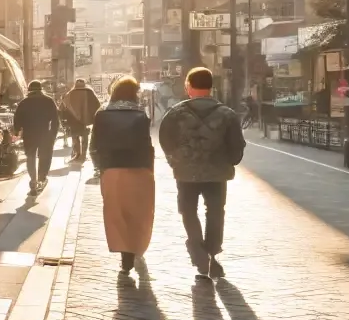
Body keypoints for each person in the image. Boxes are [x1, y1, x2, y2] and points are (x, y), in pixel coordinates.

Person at [157, 66, 245, 281]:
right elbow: (237, 146)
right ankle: (213, 253)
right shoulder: (227, 114)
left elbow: (164, 139)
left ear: (188, 86)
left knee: (188, 211)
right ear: (211, 87)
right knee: (215, 211)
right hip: (217, 173)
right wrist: (230, 160)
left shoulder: (176, 113)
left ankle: (197, 250)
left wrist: (174, 160)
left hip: (186, 172)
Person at [91, 76, 155, 278]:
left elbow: (94, 146)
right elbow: (147, 145)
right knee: (139, 212)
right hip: (139, 168)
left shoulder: (102, 114)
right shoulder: (141, 114)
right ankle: (136, 248)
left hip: (111, 169)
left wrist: (99, 168)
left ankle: (125, 259)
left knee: (116, 213)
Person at [13, 80, 62, 194]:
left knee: (31, 157)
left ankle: (33, 181)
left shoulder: (24, 102)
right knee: (45, 157)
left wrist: (17, 131)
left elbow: (17, 119)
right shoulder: (49, 101)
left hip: (29, 134)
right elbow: (55, 120)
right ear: (41, 89)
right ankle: (41, 178)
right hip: (45, 134)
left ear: (29, 90)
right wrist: (53, 134)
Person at [60, 78, 101, 162]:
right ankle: (84, 155)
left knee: (75, 136)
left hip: (73, 119)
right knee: (85, 136)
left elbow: (62, 107)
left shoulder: (70, 93)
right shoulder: (90, 92)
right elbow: (98, 105)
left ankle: (77, 153)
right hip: (87, 118)